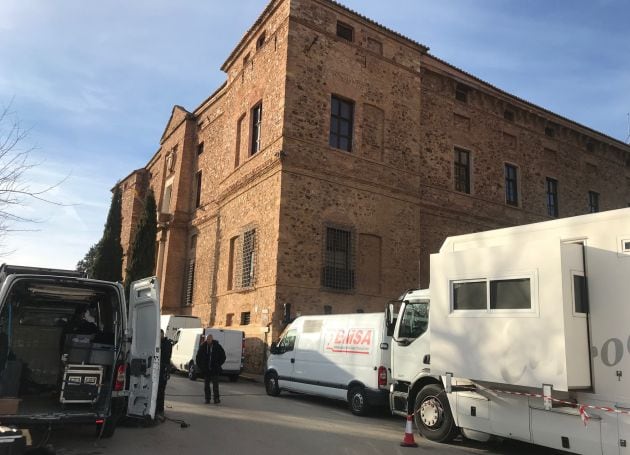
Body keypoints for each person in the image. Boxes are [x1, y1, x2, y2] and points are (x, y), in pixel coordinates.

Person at [195, 333, 226, 404]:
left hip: (215, 369)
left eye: (209, 339)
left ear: (212, 339)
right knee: (206, 386)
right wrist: (201, 367)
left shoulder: (217, 346)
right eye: (207, 339)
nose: (208, 340)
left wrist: (218, 364)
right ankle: (207, 399)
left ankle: (216, 398)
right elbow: (198, 358)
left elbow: (223, 356)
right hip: (206, 370)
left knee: (215, 385)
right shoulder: (203, 347)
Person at [156, 329, 172, 417]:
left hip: (163, 369)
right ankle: (156, 408)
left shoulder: (167, 344)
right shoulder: (157, 343)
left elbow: (166, 355)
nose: (159, 337)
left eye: (160, 335)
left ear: (162, 335)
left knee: (161, 390)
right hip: (157, 368)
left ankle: (160, 409)